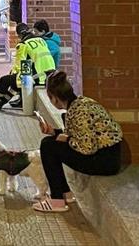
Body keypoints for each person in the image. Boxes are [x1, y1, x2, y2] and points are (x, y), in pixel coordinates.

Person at [33, 71, 123, 213]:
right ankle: (65, 194)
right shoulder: (80, 102)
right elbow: (79, 134)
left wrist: (67, 139)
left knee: (48, 146)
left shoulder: (79, 111)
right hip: (106, 155)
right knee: (50, 142)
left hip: (105, 161)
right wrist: (54, 132)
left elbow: (87, 147)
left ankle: (57, 200)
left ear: (55, 98)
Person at [0, 23, 56, 111]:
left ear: (19, 35)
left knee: (5, 80)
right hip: (49, 76)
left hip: (38, 78)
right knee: (15, 83)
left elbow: (19, 65)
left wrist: (12, 74)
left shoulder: (23, 45)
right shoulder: (41, 40)